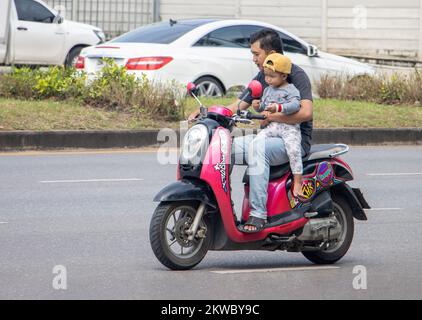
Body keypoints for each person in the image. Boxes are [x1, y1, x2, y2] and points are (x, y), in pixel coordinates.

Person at [188, 29, 313, 233]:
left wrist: (272, 116)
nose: (253, 59)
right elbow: (239, 104)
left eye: (256, 54)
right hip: (271, 135)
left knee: (258, 147)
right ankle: (217, 207)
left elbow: (306, 112)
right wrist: (209, 112)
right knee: (223, 149)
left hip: (293, 141)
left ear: (271, 53)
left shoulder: (295, 75)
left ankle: (258, 215)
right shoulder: (263, 75)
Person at [255, 53, 305, 203]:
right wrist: (258, 107)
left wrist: (278, 107)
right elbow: (264, 106)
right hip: (273, 126)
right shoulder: (268, 90)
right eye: (266, 76)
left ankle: (298, 181)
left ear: (284, 76)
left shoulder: (291, 89)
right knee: (257, 142)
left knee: (293, 149)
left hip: (289, 127)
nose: (268, 79)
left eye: (272, 76)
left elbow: (296, 105)